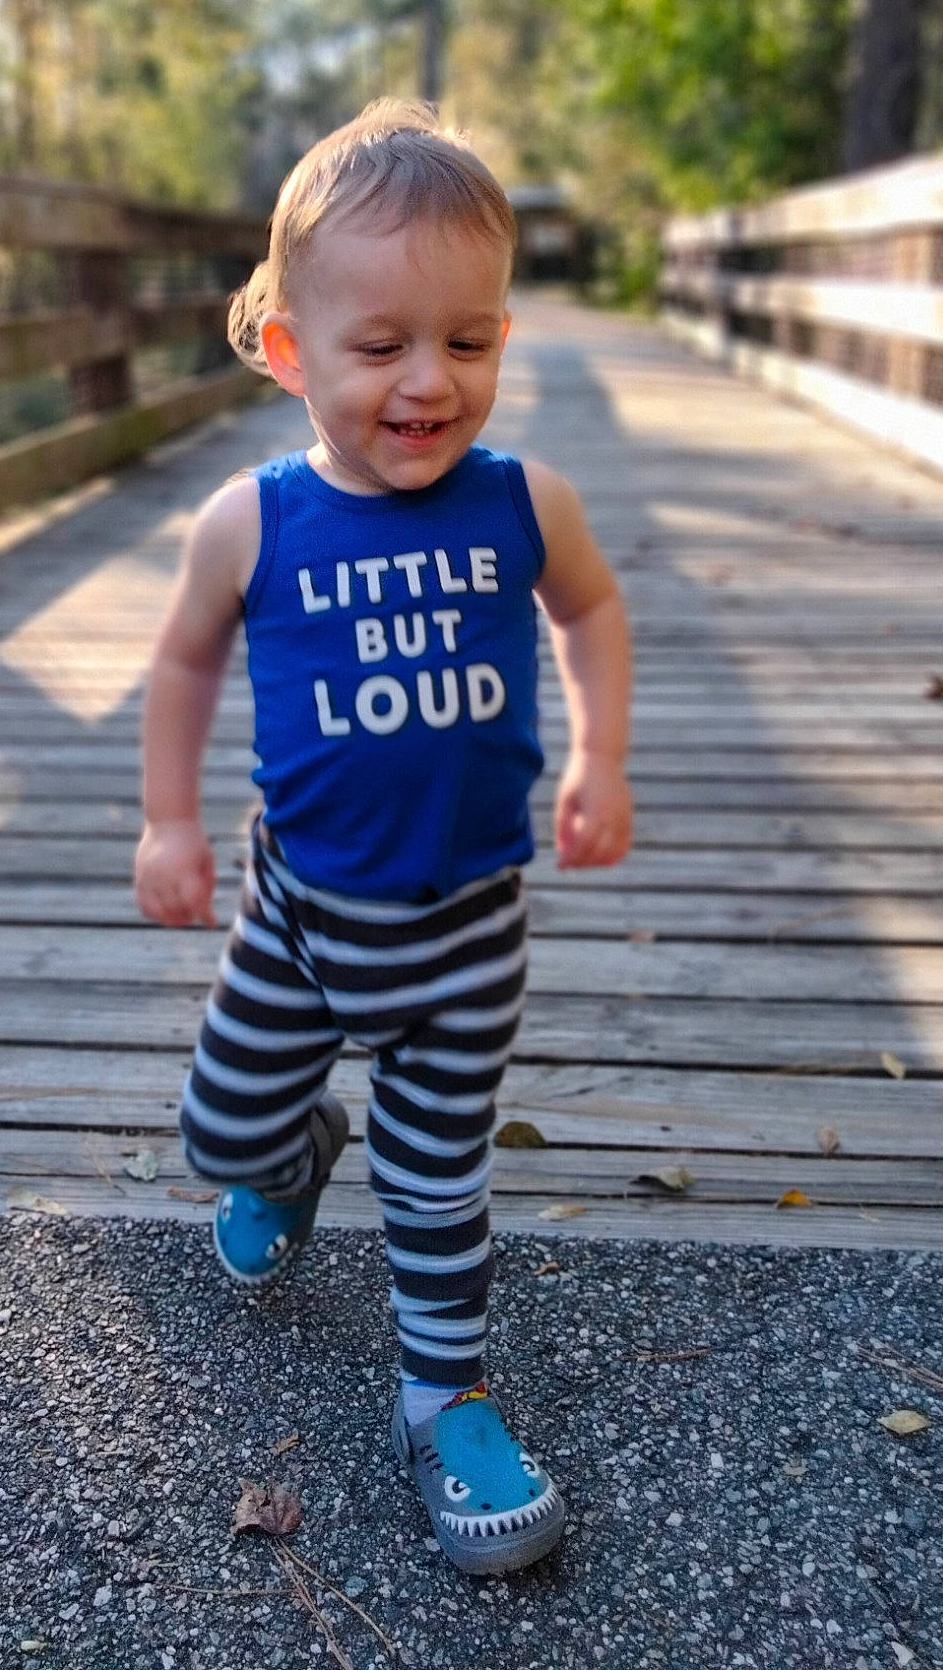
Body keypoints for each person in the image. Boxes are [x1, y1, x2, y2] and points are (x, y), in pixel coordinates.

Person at [133, 98, 633, 1576]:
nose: (430, 380)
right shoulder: (253, 522)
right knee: (217, 1133)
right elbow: (181, 661)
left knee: (438, 1180)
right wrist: (169, 821)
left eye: (468, 341)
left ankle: (445, 1403)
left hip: (467, 934)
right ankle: (291, 1155)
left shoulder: (526, 504)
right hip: (300, 920)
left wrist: (600, 755)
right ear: (291, 350)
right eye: (382, 346)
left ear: (502, 336)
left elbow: (593, 608)